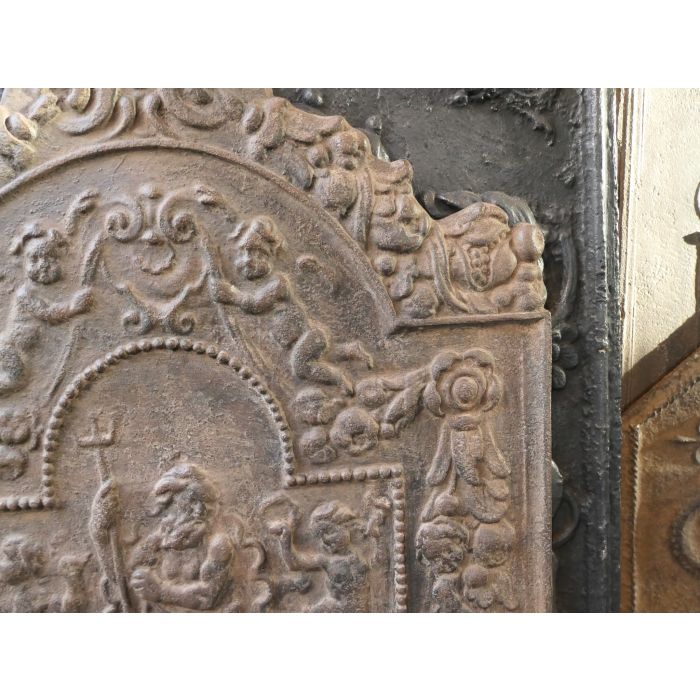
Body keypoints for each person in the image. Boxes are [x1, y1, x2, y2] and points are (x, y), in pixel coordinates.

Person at [127, 462, 235, 611]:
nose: (199, 510)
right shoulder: (164, 536)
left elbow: (207, 597)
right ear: (172, 501)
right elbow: (130, 567)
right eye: (192, 501)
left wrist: (161, 592)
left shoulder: (218, 544)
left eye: (205, 503)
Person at [0, 224, 92, 396]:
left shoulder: (47, 291)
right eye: (34, 259)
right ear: (23, 263)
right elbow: (48, 314)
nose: (43, 264)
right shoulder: (24, 294)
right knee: (16, 380)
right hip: (9, 348)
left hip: (23, 350)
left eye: (50, 258)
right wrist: (73, 308)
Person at [274, 500, 368, 612]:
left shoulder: (358, 559)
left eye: (329, 532)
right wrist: (286, 540)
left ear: (345, 527)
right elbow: (294, 563)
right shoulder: (326, 560)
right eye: (321, 536)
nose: (325, 540)